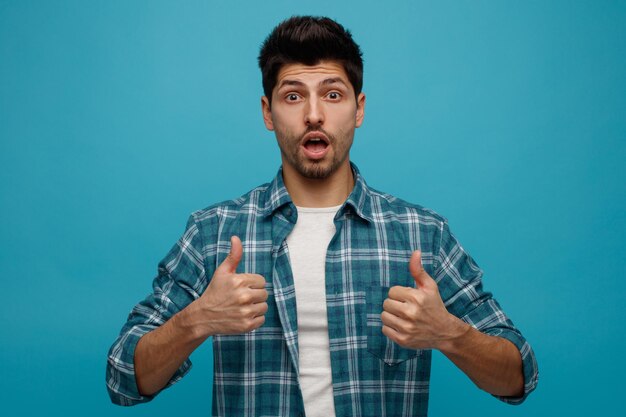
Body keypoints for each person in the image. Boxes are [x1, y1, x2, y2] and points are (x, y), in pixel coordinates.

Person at [106, 15, 538, 417]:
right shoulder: (213, 233)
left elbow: (519, 375)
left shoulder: (422, 234)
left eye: (333, 94)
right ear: (267, 113)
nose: (314, 114)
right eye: (293, 96)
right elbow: (122, 376)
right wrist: (196, 320)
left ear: (359, 108)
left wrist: (448, 333)